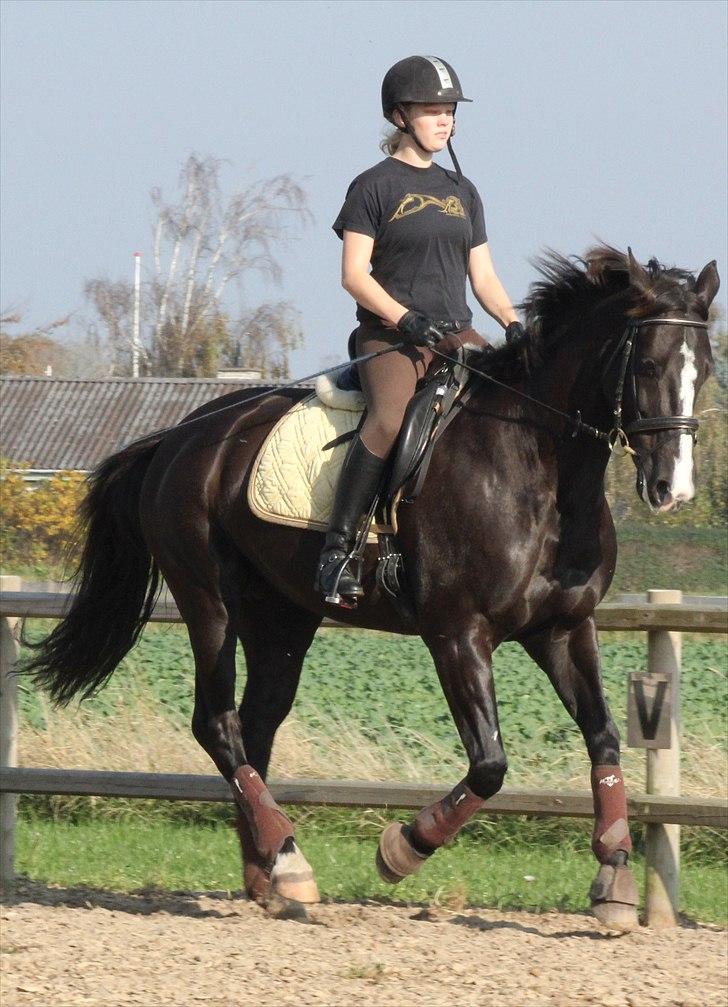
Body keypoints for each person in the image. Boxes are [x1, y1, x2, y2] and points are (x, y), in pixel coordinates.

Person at [315, 54, 525, 605]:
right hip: (392, 338)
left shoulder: (465, 191)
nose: (444, 120)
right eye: (432, 109)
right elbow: (353, 275)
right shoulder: (372, 187)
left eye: (449, 110)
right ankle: (337, 554)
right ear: (399, 116)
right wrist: (403, 317)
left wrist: (512, 322)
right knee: (387, 419)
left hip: (458, 335)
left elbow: (483, 276)